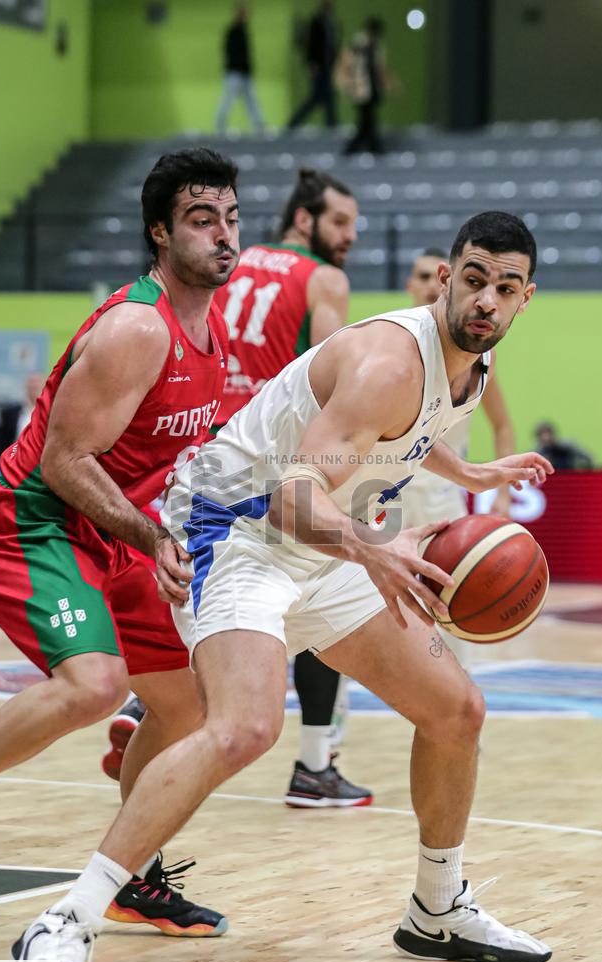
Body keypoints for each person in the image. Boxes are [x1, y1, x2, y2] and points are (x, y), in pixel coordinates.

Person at [14, 211, 554, 962]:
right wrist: (377, 550)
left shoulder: (469, 365)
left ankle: (437, 911)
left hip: (323, 542)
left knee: (455, 711)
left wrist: (468, 476)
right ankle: (65, 920)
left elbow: (398, 434)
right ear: (446, 278)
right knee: (244, 727)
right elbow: (289, 499)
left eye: (503, 289)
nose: (485, 301)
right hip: (237, 531)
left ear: (524, 298)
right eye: (472, 280)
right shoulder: (388, 361)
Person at [0, 148, 240, 938]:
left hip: (118, 539)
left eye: (229, 218)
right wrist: (152, 536)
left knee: (189, 705)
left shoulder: (211, 340)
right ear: (159, 233)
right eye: (199, 219)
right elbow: (63, 461)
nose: (221, 235)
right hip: (36, 519)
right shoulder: (135, 329)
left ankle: (132, 877)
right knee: (95, 685)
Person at [103, 168, 369, 807]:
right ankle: (312, 765)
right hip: (270, 453)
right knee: (312, 588)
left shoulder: (223, 260)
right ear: (304, 221)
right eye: (339, 223)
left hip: (203, 442)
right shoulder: (322, 279)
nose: (350, 237)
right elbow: (341, 378)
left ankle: (152, 701)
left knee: (205, 586)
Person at [401, 249, 516, 666]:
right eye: (421, 274)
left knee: (452, 609)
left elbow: (502, 425)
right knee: (351, 605)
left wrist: (502, 491)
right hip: (378, 494)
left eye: (437, 275)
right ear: (410, 285)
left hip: (441, 500)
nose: (431, 282)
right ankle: (330, 724)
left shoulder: (477, 354)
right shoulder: (391, 343)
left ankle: (454, 710)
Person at [337, 17, 392, 155]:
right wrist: (349, 82)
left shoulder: (373, 45)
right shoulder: (358, 44)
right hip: (361, 87)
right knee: (367, 120)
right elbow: (347, 63)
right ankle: (369, 148)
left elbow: (378, 67)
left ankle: (369, 147)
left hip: (369, 88)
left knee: (367, 120)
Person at [287, 0, 339, 129]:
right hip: (319, 65)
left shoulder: (331, 21)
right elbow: (312, 44)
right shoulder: (317, 20)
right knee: (319, 96)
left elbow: (331, 45)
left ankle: (331, 124)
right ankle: (295, 122)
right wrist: (312, 63)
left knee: (326, 96)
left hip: (327, 65)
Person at [215, 4, 264, 136]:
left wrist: (249, 70)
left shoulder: (244, 31)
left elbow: (246, 54)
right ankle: (220, 126)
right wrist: (239, 67)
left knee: (251, 101)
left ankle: (259, 126)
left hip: (244, 73)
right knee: (228, 99)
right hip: (234, 72)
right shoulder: (233, 31)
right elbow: (231, 52)